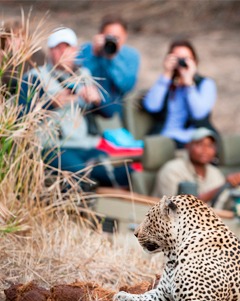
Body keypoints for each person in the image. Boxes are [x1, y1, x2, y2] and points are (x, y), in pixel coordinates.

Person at [19, 27, 131, 188]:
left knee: (125, 174)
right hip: (55, 147)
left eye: (68, 48)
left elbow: (112, 112)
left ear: (76, 51)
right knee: (80, 177)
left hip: (87, 145)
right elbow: (22, 118)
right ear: (50, 51)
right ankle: (84, 211)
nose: (63, 53)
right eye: (58, 48)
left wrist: (98, 99)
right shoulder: (34, 77)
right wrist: (50, 104)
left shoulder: (83, 75)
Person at [142, 39, 218, 148]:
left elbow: (199, 114)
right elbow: (151, 106)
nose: (181, 63)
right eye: (177, 59)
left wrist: (189, 84)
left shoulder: (205, 84)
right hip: (165, 139)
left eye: (186, 59)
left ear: (195, 62)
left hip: (194, 141)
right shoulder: (166, 83)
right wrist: (166, 74)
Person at [152, 127, 240, 204]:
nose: (205, 150)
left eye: (210, 146)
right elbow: (180, 209)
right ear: (188, 146)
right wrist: (221, 186)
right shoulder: (172, 170)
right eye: (200, 144)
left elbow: (222, 204)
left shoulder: (215, 173)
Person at [77, 15, 140, 119]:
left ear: (125, 36)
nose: (113, 41)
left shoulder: (131, 56)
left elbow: (126, 86)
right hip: (85, 106)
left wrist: (112, 59)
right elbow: (77, 77)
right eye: (109, 37)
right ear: (100, 35)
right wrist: (94, 54)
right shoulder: (87, 49)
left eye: (117, 38)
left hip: (113, 111)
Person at [0, 18, 45, 94]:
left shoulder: (37, 55)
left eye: (21, 36)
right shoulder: (3, 58)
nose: (21, 40)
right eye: (10, 38)